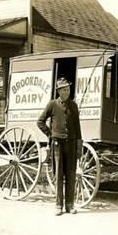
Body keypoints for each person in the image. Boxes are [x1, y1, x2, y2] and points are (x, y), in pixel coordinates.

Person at [37, 77, 83, 216]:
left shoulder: (73, 106)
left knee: (71, 175)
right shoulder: (52, 104)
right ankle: (58, 206)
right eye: (64, 89)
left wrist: (79, 145)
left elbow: (77, 127)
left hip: (72, 144)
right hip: (57, 145)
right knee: (58, 175)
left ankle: (70, 205)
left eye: (68, 89)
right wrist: (51, 134)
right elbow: (40, 122)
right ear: (58, 91)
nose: (67, 91)